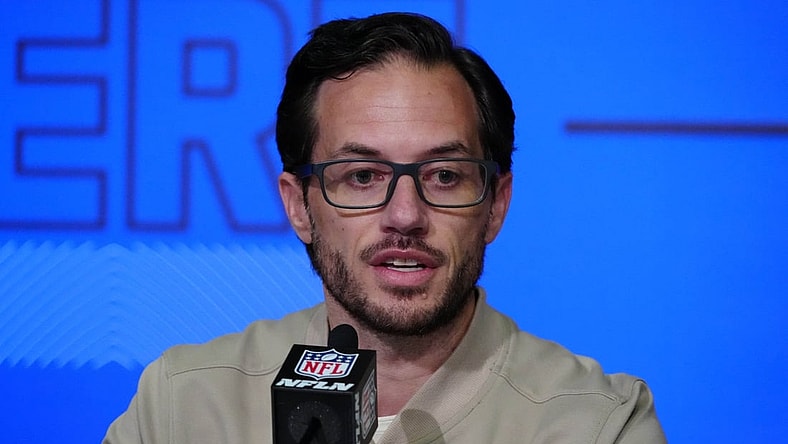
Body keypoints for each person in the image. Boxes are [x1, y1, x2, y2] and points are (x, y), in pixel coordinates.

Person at [104, 12, 665, 443]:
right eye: (363, 176)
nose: (404, 216)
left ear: (495, 204)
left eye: (444, 175)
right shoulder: (183, 406)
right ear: (299, 205)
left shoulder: (596, 424)